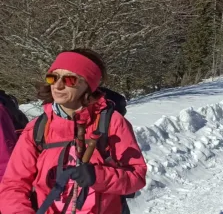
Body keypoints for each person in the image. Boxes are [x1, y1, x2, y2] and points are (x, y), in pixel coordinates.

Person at [0, 48, 147, 214]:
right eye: (53, 77)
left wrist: (99, 176)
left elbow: (136, 177)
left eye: (70, 80)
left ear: (88, 85)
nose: (58, 85)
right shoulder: (37, 129)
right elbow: (13, 186)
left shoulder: (111, 123)